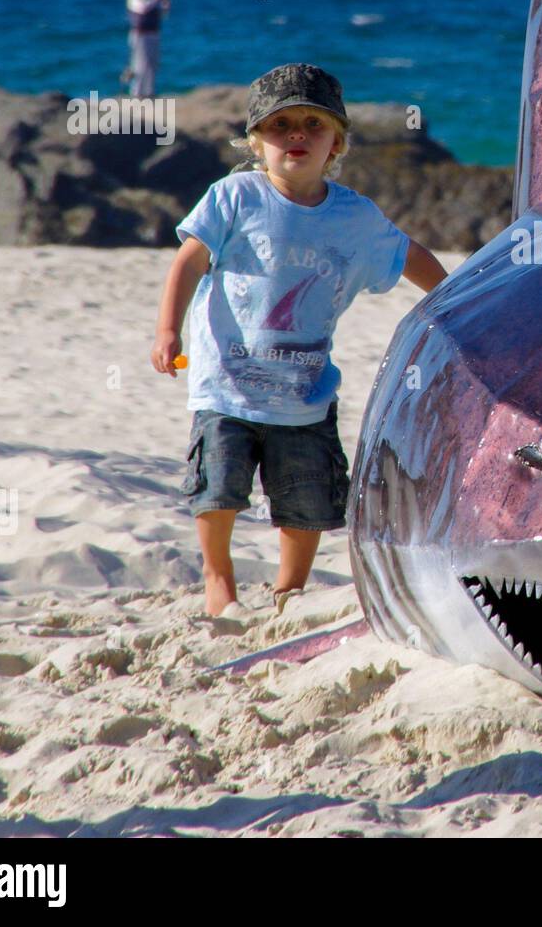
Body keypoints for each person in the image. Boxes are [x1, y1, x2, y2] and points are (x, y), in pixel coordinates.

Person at [151, 63, 448, 616]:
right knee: (218, 489)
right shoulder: (235, 196)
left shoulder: (354, 216)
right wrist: (169, 327)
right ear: (255, 140)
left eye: (313, 124)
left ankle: (289, 589)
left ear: (337, 141)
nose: (297, 135)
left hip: (305, 395)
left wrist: (454, 302)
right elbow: (189, 262)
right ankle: (219, 580)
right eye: (280, 124)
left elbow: (410, 256)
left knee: (306, 500)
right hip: (226, 385)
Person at [123, 0, 170, 98]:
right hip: (140, 35)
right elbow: (142, 8)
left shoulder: (152, 1)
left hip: (153, 34)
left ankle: (149, 91)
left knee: (152, 63)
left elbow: (164, 13)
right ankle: (136, 92)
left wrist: (164, 4)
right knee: (139, 64)